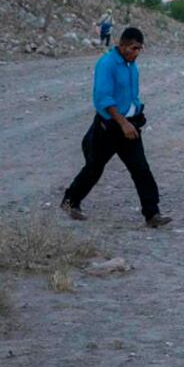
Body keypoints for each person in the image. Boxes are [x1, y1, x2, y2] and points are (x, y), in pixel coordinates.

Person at [62, 27, 172, 227]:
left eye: (139, 49)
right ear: (122, 45)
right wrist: (122, 123)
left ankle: (152, 214)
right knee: (94, 168)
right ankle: (70, 202)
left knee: (141, 168)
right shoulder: (107, 64)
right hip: (109, 127)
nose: (136, 52)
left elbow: (131, 95)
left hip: (129, 126)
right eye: (133, 48)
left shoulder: (132, 66)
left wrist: (135, 114)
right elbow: (103, 98)